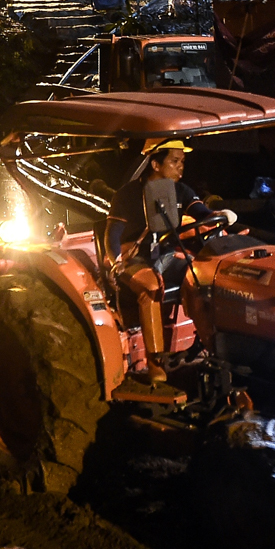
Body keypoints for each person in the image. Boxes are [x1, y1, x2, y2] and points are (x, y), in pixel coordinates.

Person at [105, 138, 236, 379]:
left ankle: (209, 348)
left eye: (182, 161)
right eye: (174, 161)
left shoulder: (181, 191)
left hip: (163, 254)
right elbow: (112, 235)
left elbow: (202, 213)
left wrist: (220, 215)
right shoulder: (128, 195)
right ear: (155, 164)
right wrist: (116, 263)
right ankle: (156, 363)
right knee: (152, 287)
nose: (180, 167)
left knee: (201, 279)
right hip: (133, 257)